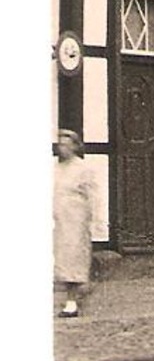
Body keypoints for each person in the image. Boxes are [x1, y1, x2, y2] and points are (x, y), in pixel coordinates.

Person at [53, 130, 98, 318]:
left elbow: (93, 197)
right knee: (58, 258)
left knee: (71, 259)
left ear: (75, 146)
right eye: (60, 144)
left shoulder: (83, 169)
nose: (62, 148)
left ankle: (71, 303)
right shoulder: (54, 168)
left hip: (75, 220)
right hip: (56, 218)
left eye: (66, 144)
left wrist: (96, 220)